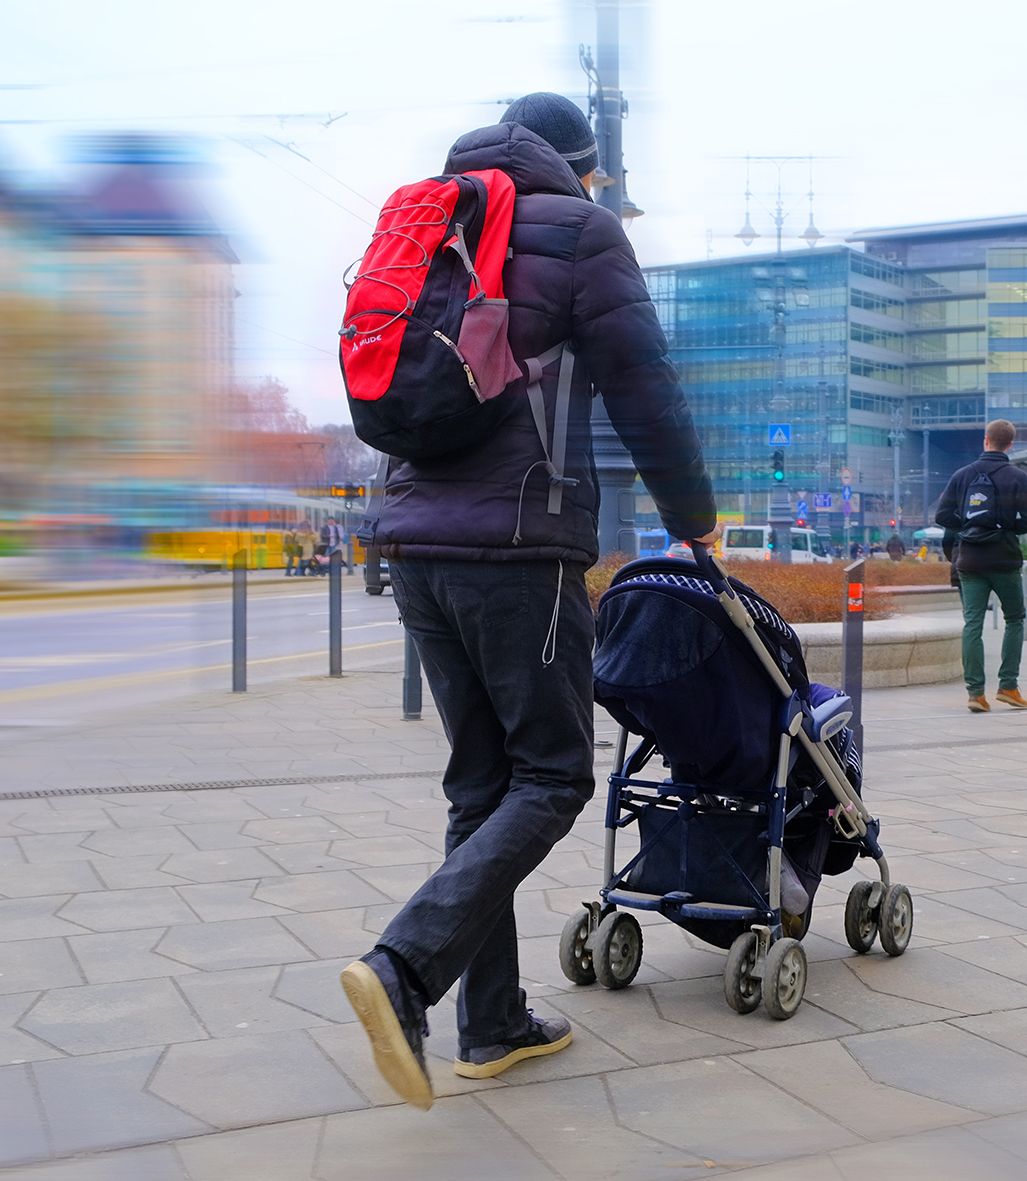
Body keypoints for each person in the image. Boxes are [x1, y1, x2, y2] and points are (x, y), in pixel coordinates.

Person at [339, 93, 718, 1111]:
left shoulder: (427, 214)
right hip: (519, 547)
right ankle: (405, 966)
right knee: (551, 776)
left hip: (413, 540)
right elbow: (643, 383)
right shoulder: (581, 230)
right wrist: (696, 515)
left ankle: (493, 1021)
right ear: (584, 166)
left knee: (481, 784)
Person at [935, 419, 1027, 712]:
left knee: (973, 624)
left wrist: (970, 528)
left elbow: (942, 517)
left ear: (986, 441)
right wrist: (1003, 528)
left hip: (969, 560)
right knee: (1015, 619)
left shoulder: (962, 475)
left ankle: (975, 694)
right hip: (1005, 559)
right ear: (1009, 444)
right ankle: (1008, 686)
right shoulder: (1017, 477)